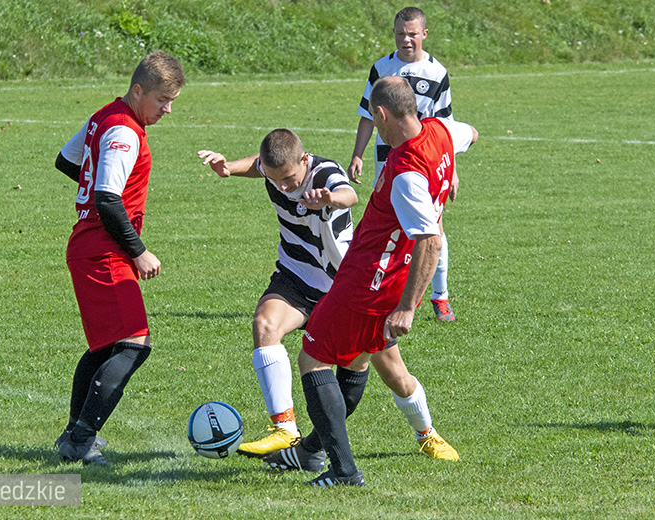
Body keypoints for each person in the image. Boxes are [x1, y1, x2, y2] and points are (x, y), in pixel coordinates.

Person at [265, 76, 472, 487]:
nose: (374, 127)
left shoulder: (406, 173)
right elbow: (472, 133)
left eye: (373, 121)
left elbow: (430, 242)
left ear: (381, 114)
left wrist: (409, 308)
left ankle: (342, 470)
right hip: (385, 276)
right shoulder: (441, 130)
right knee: (360, 359)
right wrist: (448, 179)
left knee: (313, 357)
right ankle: (309, 451)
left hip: (370, 281)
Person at [52, 50, 185, 465]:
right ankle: (81, 439)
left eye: (172, 102)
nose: (167, 110)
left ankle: (74, 434)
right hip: (102, 247)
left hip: (93, 244)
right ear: (138, 89)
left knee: (105, 348)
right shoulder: (124, 132)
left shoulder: (104, 116)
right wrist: (139, 250)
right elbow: (107, 200)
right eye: (162, 100)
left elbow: (66, 160)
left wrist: (97, 187)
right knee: (133, 344)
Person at [197, 129, 358, 458]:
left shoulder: (324, 173)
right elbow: (258, 165)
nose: (284, 187)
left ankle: (425, 431)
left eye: (289, 179)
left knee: (389, 369)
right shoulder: (273, 170)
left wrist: (328, 198)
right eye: (276, 180)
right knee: (264, 325)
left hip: (340, 284)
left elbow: (349, 195)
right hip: (296, 274)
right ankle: (284, 428)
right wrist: (228, 168)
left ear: (303, 159)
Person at [348, 6, 478, 322]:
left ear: (424, 34)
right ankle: (383, 294)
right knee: (389, 227)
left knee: (432, 228)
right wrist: (357, 153)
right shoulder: (381, 68)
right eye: (400, 34)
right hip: (388, 161)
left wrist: (453, 171)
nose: (406, 40)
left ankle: (440, 297)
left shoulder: (438, 72)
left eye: (412, 34)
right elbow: (368, 113)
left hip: (427, 159)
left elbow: (446, 124)